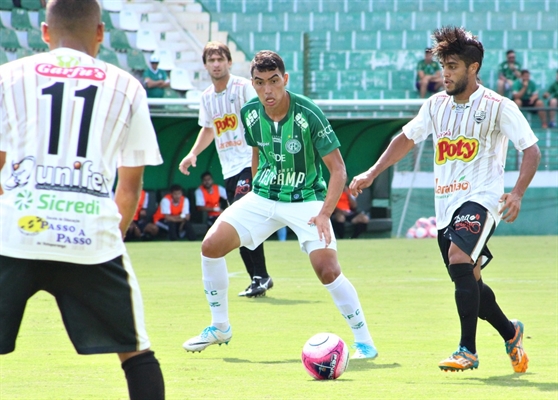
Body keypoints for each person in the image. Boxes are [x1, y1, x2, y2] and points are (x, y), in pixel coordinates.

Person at [0, 1, 165, 399]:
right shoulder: (127, 86)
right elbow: (129, 187)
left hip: (13, 233)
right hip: (90, 238)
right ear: (100, 33)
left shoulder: (8, 76)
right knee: (136, 352)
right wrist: (112, 236)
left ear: (44, 32)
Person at [350, 26, 540, 373]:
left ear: (474, 67)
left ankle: (467, 350)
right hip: (446, 208)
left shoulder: (499, 107)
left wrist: (517, 193)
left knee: (458, 257)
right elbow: (405, 139)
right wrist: (372, 172)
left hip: (482, 199)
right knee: (469, 280)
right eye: (443, 66)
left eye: (452, 66)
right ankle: (511, 333)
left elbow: (530, 149)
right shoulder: (435, 105)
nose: (445, 74)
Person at [182, 50, 378, 360]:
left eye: (274, 81)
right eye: (260, 83)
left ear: (285, 79)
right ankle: (220, 326)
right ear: (253, 84)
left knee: (327, 271)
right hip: (263, 196)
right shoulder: (250, 112)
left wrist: (326, 213)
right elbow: (258, 149)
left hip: (306, 200)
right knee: (211, 246)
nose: (267, 90)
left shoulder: (308, 113)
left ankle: (364, 342)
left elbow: (338, 169)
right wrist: (255, 186)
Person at [178, 41, 274, 298]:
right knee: (242, 223)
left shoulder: (243, 87)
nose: (217, 64)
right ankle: (260, 277)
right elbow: (209, 128)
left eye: (221, 59)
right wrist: (193, 153)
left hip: (249, 163)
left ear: (229, 62)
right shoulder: (207, 97)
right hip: (229, 168)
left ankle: (260, 276)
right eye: (212, 60)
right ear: (206, 65)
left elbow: (261, 115)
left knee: (240, 218)